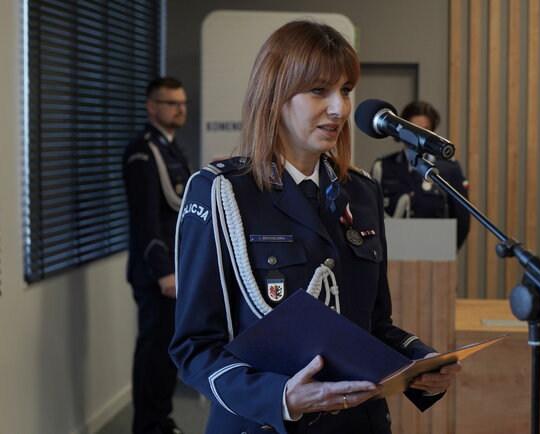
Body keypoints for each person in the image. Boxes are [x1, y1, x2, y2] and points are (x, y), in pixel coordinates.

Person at [170, 21, 461, 434]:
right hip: (266, 424)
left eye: (346, 90)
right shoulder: (222, 193)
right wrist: (280, 397)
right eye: (319, 90)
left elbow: (372, 325)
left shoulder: (361, 191)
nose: (340, 108)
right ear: (274, 95)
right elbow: (194, 347)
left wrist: (420, 362)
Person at [123, 76, 190, 434]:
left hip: (173, 268)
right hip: (156, 273)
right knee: (153, 352)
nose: (180, 109)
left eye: (182, 103)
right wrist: (164, 272)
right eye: (171, 103)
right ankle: (148, 426)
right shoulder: (143, 151)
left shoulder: (170, 148)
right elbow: (145, 219)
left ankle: (160, 422)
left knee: (166, 352)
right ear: (152, 107)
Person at [371, 101, 470, 250]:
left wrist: (447, 252)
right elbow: (371, 217)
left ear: (433, 133)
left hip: (435, 254)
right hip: (392, 255)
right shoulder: (383, 167)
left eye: (424, 130)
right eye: (412, 129)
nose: (416, 137)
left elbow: (462, 221)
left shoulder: (449, 169)